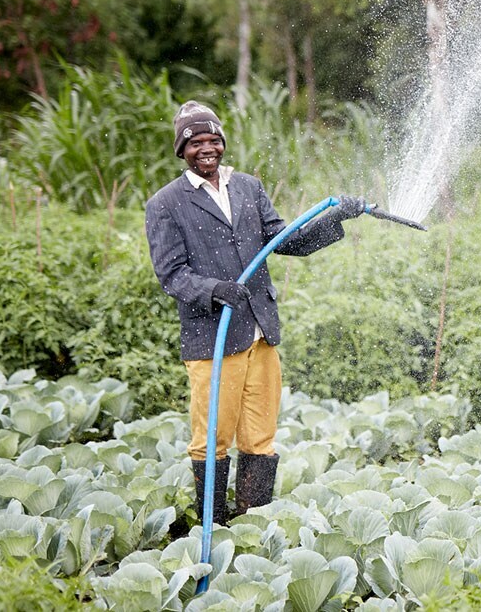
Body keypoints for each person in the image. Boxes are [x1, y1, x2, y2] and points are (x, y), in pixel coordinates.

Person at [144, 100, 364, 525]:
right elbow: (172, 275)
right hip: (214, 337)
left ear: (222, 143)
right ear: (182, 150)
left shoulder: (247, 187)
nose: (206, 149)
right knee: (212, 439)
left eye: (212, 140)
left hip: (260, 332)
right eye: (195, 143)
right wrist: (214, 290)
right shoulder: (166, 203)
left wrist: (336, 218)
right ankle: (213, 526)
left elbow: (285, 240)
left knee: (260, 437)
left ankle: (252, 524)